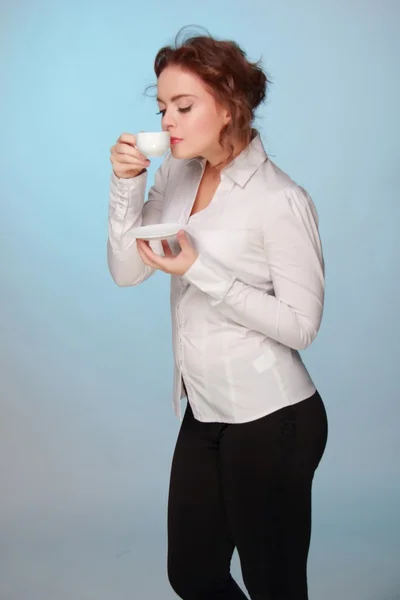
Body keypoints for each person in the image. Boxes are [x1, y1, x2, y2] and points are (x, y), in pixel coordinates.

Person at [107, 28, 328, 600]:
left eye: (184, 106)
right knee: (193, 572)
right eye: (162, 108)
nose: (168, 121)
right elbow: (129, 271)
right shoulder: (175, 176)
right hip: (205, 411)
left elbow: (302, 325)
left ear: (229, 107)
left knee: (273, 584)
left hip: (273, 419)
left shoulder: (280, 199)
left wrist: (202, 270)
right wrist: (126, 184)